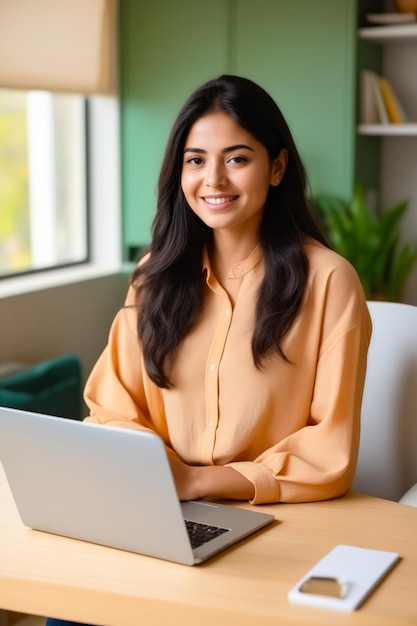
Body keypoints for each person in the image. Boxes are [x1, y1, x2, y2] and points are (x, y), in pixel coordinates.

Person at [45, 75, 371, 626]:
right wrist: (153, 473)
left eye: (236, 158)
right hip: (158, 512)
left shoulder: (329, 282)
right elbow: (113, 407)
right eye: (195, 160)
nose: (212, 179)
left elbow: (329, 449)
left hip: (273, 525)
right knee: (69, 608)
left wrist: (195, 481)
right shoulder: (154, 276)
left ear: (277, 167)